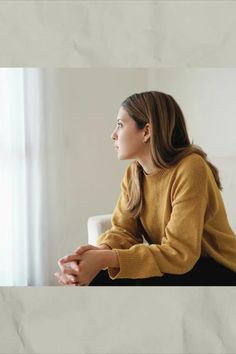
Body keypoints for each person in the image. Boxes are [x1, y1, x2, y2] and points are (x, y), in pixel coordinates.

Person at [54, 91, 236, 286]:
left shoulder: (191, 168)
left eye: (120, 125)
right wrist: (100, 252)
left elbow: (180, 253)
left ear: (147, 131)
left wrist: (107, 258)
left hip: (218, 266)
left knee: (133, 281)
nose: (113, 134)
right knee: (100, 277)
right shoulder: (135, 173)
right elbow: (123, 230)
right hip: (182, 266)